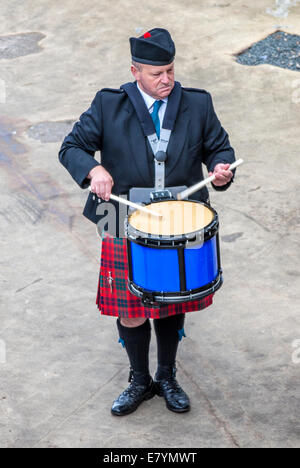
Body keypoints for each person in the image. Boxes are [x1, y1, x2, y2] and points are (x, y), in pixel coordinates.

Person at [59, 28, 235, 416]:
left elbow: (218, 147)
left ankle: (167, 375)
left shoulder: (197, 105)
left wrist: (222, 168)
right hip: (124, 218)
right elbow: (71, 147)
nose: (166, 80)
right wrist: (93, 170)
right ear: (136, 71)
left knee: (171, 304)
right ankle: (139, 379)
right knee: (132, 307)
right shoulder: (108, 105)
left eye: (170, 70)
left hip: (178, 222)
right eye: (156, 73)